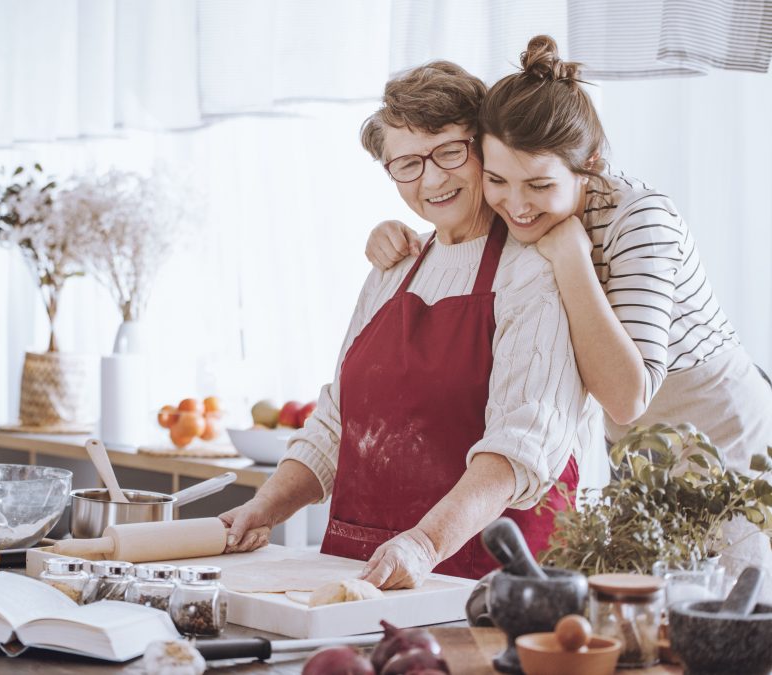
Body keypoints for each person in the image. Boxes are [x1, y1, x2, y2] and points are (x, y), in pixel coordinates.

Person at [364, 36, 772, 580]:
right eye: (498, 180)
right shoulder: (523, 211)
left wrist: (572, 257)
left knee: (733, 614)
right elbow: (460, 227)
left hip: (722, 436)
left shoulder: (641, 220)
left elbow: (627, 396)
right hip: (635, 452)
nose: (515, 204)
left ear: (590, 165)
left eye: (539, 184)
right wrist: (396, 235)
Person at [220, 61, 597, 588]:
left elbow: (522, 446)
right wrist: (262, 509)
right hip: (364, 571)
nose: (433, 179)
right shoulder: (393, 267)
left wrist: (425, 543)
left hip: (482, 579)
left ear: (484, 148)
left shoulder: (534, 271)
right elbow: (336, 422)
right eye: (408, 164)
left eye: (449, 152)